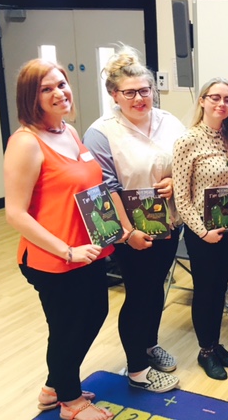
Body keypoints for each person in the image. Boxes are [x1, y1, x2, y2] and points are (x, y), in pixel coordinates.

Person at [4, 59, 113, 420]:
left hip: (89, 252)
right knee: (67, 328)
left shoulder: (68, 132)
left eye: (61, 84)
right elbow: (15, 214)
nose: (59, 93)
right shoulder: (26, 143)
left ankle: (54, 386)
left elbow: (84, 189)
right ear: (30, 98)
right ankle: (70, 402)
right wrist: (67, 249)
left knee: (94, 313)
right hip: (54, 258)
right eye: (46, 88)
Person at [83, 46, 185, 393]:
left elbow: (184, 164)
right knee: (139, 294)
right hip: (133, 232)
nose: (140, 98)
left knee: (154, 289)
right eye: (130, 92)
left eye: (145, 90)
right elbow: (106, 188)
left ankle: (148, 344)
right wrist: (127, 234)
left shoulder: (169, 120)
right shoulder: (101, 132)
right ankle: (138, 371)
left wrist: (175, 181)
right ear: (114, 95)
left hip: (168, 224)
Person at [172, 78, 228, 380]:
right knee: (205, 291)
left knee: (220, 288)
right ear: (202, 100)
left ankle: (215, 344)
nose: (221, 104)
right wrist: (203, 232)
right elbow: (181, 196)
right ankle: (205, 351)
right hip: (202, 233)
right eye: (215, 98)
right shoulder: (187, 141)